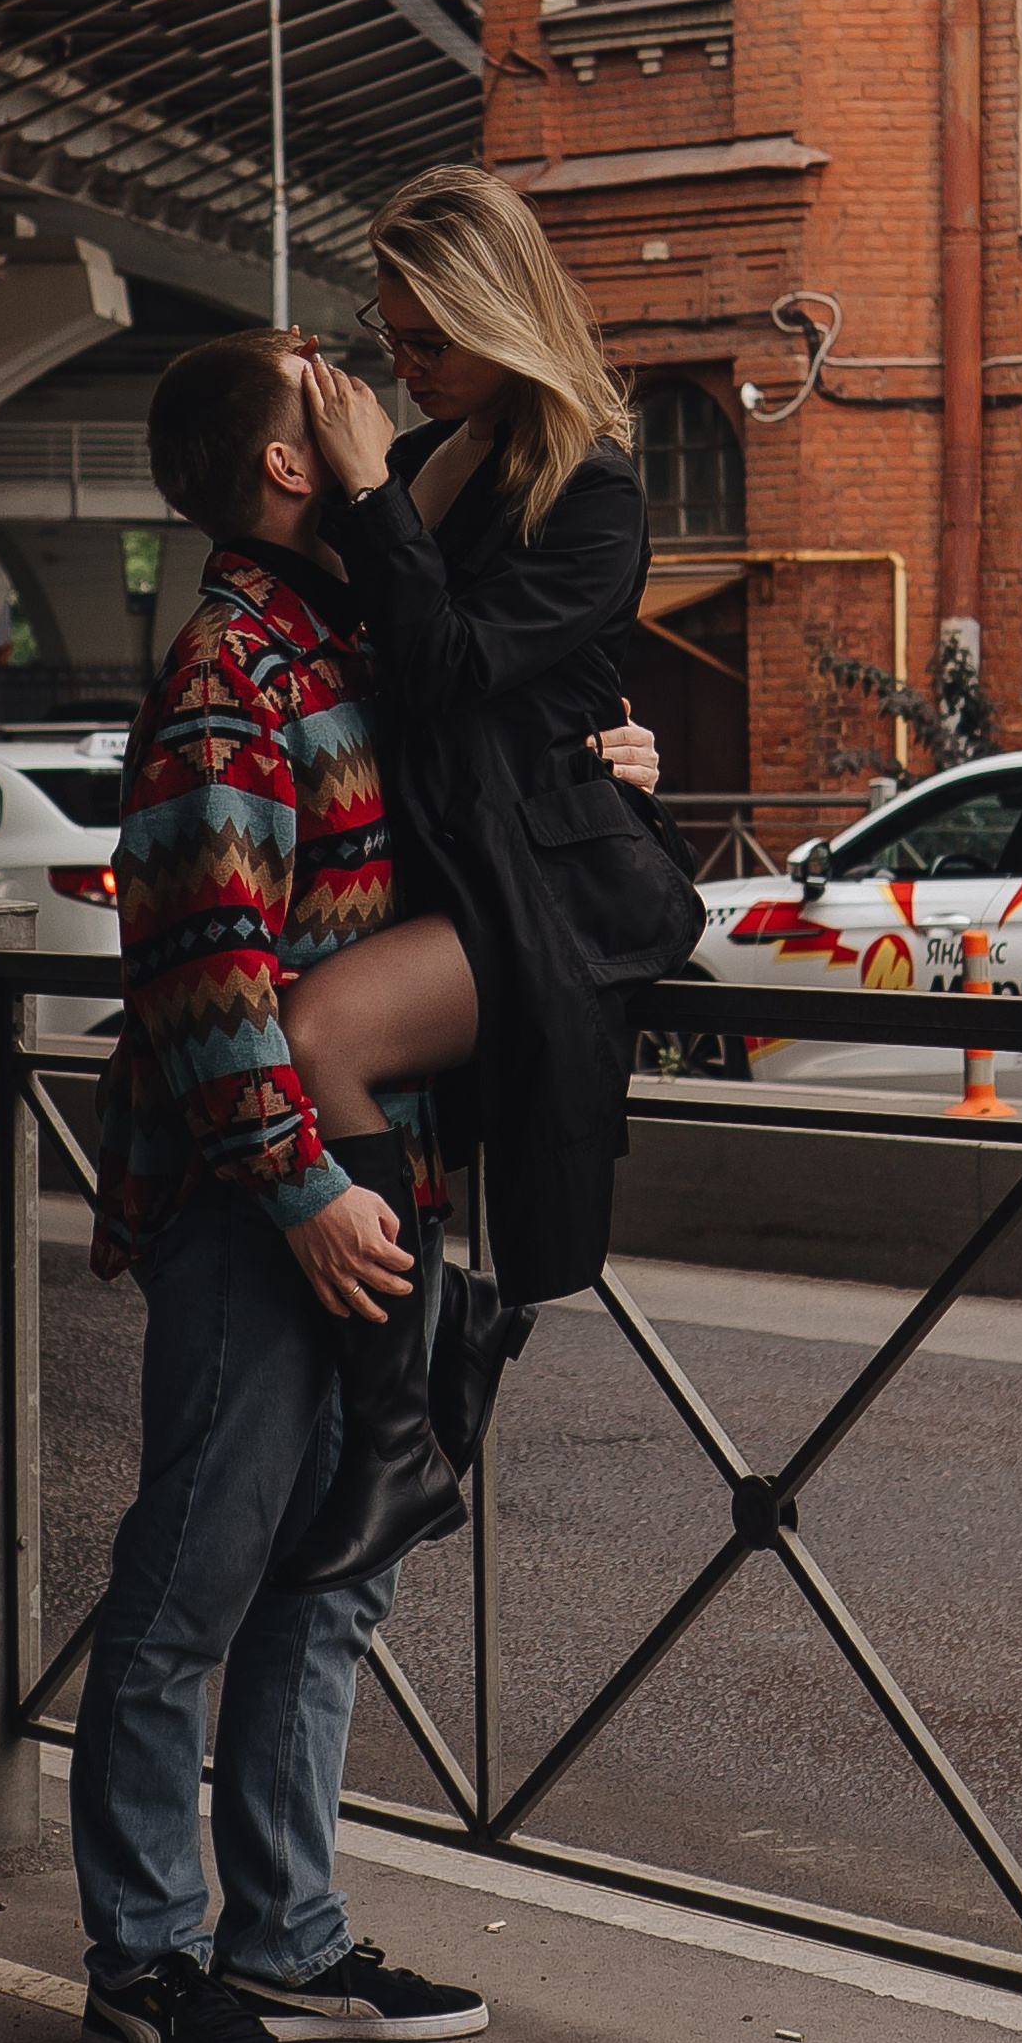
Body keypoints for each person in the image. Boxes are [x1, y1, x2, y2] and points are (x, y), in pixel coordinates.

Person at [70, 323, 657, 2043]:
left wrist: (599, 772)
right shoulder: (229, 669)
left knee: (330, 1581)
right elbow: (198, 972)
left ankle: (288, 1936)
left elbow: (473, 828)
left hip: (376, 1171)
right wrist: (304, 1187)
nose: (365, 386)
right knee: (195, 1577)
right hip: (273, 1196)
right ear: (282, 461)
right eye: (326, 373)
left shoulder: (352, 633)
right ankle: (145, 1958)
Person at [274, 165, 704, 1585]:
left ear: (498, 319)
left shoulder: (590, 485)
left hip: (546, 878)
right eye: (388, 339)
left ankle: (404, 1437)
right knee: (325, 1043)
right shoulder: (421, 466)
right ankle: (439, 1358)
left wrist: (357, 489)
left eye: (425, 342)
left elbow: (452, 666)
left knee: (320, 1036)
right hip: (446, 858)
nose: (402, 368)